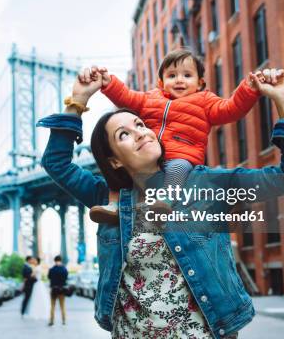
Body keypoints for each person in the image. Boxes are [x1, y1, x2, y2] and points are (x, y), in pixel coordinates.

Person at [37, 68, 284, 338]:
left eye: (140, 125)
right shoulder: (107, 198)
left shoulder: (206, 185)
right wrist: (78, 99)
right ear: (114, 160)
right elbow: (56, 163)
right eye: (123, 135)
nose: (140, 133)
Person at [87, 48, 262, 224]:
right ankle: (113, 206)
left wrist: (248, 90)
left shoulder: (205, 101)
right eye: (172, 76)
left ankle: (164, 202)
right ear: (161, 82)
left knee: (177, 168)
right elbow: (127, 97)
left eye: (187, 75)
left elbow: (231, 109)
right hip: (152, 155)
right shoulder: (150, 98)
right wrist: (109, 84)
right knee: (123, 173)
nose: (179, 80)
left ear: (200, 83)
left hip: (182, 155)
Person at [23, 257, 49, 321]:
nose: (33, 261)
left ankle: (37, 312)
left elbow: (32, 275)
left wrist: (27, 277)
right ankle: (39, 312)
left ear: (37, 261)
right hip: (38, 284)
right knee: (39, 298)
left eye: (34, 260)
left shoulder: (37, 268)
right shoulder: (38, 267)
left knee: (37, 298)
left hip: (37, 284)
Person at [47, 255, 68, 326]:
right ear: (61, 260)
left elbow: (49, 277)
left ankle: (51, 321)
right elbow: (66, 278)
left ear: (54, 261)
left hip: (54, 289)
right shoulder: (64, 269)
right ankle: (64, 320)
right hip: (62, 289)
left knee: (52, 306)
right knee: (62, 306)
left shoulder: (52, 269)